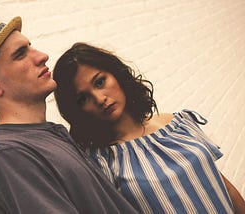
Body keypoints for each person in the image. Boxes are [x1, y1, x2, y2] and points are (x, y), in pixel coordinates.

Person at [0, 16, 138, 214]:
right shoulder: (9, 154)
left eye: (30, 47)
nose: (42, 56)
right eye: (20, 54)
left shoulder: (48, 133)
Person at [53, 42, 245, 213]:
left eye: (100, 82)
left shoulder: (176, 123)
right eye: (83, 98)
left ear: (116, 74)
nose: (100, 98)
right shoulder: (100, 163)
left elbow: (223, 186)